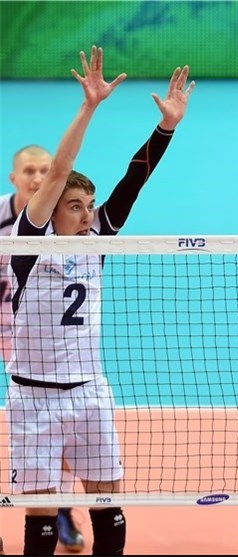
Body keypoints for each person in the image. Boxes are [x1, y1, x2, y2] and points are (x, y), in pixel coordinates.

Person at [6, 45, 193, 555]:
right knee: (41, 517)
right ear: (50, 210)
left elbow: (134, 180)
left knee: (108, 505)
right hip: (34, 397)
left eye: (89, 205)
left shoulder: (99, 239)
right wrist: (89, 107)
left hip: (90, 393)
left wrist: (166, 127)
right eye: (75, 206)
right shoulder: (29, 243)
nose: (87, 214)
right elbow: (60, 168)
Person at [2, 146, 86, 553]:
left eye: (45, 171)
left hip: (32, 335)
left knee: (59, 429)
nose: (38, 178)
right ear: (14, 178)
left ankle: (62, 511)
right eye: (29, 171)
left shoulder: (56, 220)